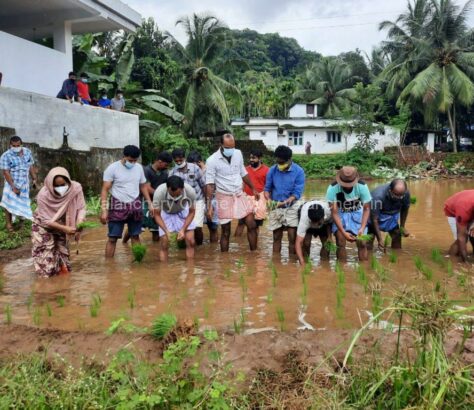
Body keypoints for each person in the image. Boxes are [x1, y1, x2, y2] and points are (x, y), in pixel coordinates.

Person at [205, 133, 259, 252]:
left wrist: (253, 188)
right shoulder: (212, 160)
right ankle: (225, 261)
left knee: (252, 224)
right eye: (228, 148)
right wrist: (209, 206)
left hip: (239, 194)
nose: (231, 150)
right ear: (221, 145)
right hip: (223, 197)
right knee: (226, 232)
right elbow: (209, 184)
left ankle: (254, 256)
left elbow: (243, 172)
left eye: (232, 147)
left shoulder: (238, 153)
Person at [100, 145, 154, 257]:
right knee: (112, 238)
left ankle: (138, 264)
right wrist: (104, 210)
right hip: (117, 204)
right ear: (124, 156)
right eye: (130, 160)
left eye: (135, 160)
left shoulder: (139, 168)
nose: (132, 162)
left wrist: (150, 204)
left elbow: (143, 186)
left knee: (135, 236)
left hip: (135, 203)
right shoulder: (112, 168)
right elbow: (105, 189)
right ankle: (110, 268)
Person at [31, 167, 86, 277]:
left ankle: (62, 287)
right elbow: (46, 220)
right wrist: (65, 229)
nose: (61, 188)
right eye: (57, 186)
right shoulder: (43, 195)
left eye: (63, 185)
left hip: (64, 222)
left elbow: (81, 207)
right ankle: (46, 286)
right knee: (45, 257)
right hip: (43, 225)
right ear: (50, 184)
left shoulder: (75, 189)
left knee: (63, 256)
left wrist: (79, 222)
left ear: (68, 182)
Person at [264, 146, 305, 255]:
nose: (280, 165)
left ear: (289, 159)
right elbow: (267, 189)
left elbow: (296, 193)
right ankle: (276, 263)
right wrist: (268, 199)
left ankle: (292, 264)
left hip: (292, 205)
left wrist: (284, 203)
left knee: (292, 236)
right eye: (278, 162)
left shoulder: (299, 171)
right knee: (276, 236)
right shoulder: (272, 170)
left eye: (282, 163)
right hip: (274, 204)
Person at [326, 166, 371, 261]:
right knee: (340, 241)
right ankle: (342, 269)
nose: (347, 186)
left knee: (362, 242)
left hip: (358, 214)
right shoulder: (333, 188)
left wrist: (362, 228)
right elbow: (334, 213)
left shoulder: (362, 186)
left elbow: (366, 209)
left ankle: (363, 268)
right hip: (340, 214)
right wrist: (343, 231)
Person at [153, 176, 196, 262]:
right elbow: (157, 215)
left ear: (182, 189)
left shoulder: (190, 191)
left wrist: (183, 230)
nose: (175, 197)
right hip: (166, 213)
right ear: (167, 188)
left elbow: (192, 212)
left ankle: (190, 269)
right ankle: (164, 270)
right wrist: (166, 231)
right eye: (172, 194)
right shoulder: (159, 192)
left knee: (191, 241)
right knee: (164, 243)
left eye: (178, 194)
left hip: (183, 211)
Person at [170, 148, 206, 245]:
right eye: (176, 161)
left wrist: (208, 202)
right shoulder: (172, 173)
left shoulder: (195, 168)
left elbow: (203, 185)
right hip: (182, 204)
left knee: (197, 227)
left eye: (180, 160)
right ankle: (188, 248)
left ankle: (199, 248)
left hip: (197, 201)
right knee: (184, 228)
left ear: (184, 158)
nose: (178, 162)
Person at [0, 136, 37, 232]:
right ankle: (9, 224)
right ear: (10, 145)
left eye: (18, 145)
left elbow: (30, 165)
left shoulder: (27, 152)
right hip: (11, 182)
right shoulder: (6, 156)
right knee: (8, 202)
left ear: (21, 144)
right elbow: (6, 172)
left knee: (22, 202)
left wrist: (34, 178)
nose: (16, 147)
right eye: (14, 145)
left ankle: (21, 223)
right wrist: (13, 187)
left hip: (24, 183)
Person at [235, 149, 269, 237]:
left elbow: (268, 187)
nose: (251, 160)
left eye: (254, 158)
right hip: (246, 198)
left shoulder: (266, 170)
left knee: (256, 224)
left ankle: (255, 245)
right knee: (241, 222)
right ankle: (237, 243)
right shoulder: (245, 170)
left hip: (259, 200)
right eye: (250, 158)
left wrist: (268, 201)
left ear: (260, 158)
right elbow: (242, 184)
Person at [369, 179, 411, 251]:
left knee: (397, 235)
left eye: (401, 196)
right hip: (374, 216)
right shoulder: (377, 196)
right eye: (396, 195)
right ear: (390, 190)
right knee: (369, 239)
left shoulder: (406, 193)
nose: (399, 198)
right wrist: (380, 239)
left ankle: (398, 258)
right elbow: (374, 219)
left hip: (391, 215)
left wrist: (402, 226)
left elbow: (405, 209)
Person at [188, 151, 218, 243]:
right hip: (197, 202)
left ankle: (213, 250)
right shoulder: (189, 172)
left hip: (211, 202)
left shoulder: (210, 171)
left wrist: (210, 206)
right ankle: (199, 249)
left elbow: (214, 188)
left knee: (212, 227)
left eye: (194, 164)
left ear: (200, 162)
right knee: (196, 227)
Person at [295, 200, 333, 265]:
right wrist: (302, 262)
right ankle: (306, 260)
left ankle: (324, 263)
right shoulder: (304, 220)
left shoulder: (329, 212)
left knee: (327, 244)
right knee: (306, 243)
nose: (316, 226)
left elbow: (329, 223)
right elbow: (298, 242)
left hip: (323, 219)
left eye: (318, 224)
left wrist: (330, 236)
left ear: (323, 218)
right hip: (305, 210)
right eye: (314, 223)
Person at [444, 190, 474, 262]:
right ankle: (451, 258)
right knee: (463, 239)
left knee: (472, 234)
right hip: (453, 211)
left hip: (468, 204)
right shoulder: (463, 209)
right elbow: (461, 237)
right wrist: (466, 262)